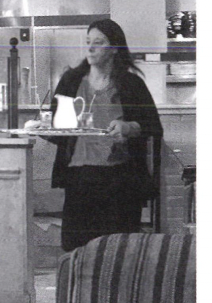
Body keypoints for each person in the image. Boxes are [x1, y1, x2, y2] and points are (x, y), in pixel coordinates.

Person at [46, 19, 163, 252]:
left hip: (119, 180)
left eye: (98, 42)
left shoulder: (131, 84)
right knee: (77, 249)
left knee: (118, 251)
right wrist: (45, 128)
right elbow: (57, 128)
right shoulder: (71, 81)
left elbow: (153, 127)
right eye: (88, 41)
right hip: (79, 178)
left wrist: (128, 127)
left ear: (114, 48)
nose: (90, 48)